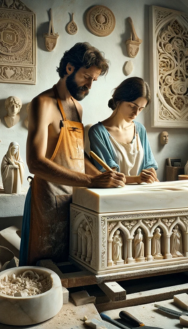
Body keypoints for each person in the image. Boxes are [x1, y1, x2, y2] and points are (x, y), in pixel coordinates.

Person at [21, 43, 125, 266]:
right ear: (69, 68)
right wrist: (91, 180)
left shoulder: (77, 107)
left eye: (93, 81)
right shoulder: (42, 103)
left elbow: (77, 154)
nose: (89, 86)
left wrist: (105, 178)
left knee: (71, 262)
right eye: (86, 77)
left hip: (72, 199)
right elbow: (35, 163)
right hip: (46, 200)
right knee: (42, 267)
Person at [88, 77, 158, 184]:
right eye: (131, 106)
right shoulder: (97, 132)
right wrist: (137, 179)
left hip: (143, 192)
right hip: (114, 194)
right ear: (119, 100)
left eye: (140, 109)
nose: (136, 113)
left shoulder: (140, 129)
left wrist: (151, 174)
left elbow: (149, 165)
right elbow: (110, 175)